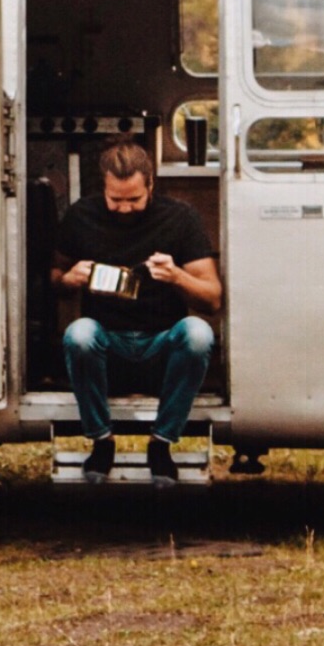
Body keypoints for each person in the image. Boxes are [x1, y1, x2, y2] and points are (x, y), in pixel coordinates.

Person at [52, 137, 221, 482]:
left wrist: (177, 277)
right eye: (116, 200)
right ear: (104, 187)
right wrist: (70, 279)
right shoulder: (81, 216)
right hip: (107, 348)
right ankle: (102, 441)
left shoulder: (180, 218)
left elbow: (212, 299)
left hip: (160, 349)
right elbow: (54, 279)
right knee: (79, 334)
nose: (126, 208)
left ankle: (161, 443)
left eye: (135, 199)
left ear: (151, 185)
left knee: (198, 334)